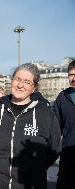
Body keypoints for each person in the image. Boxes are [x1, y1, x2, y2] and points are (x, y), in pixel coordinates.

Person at [0, 63, 61, 189]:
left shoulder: (46, 114)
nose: (20, 85)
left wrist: (36, 168)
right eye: (17, 79)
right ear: (12, 80)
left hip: (31, 183)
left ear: (34, 87)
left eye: (27, 82)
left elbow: (54, 149)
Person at [54, 60, 75, 189]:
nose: (73, 78)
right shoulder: (62, 97)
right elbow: (55, 129)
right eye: (71, 74)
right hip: (68, 157)